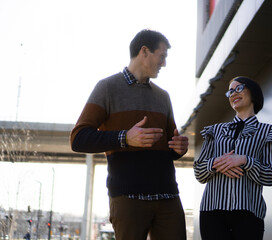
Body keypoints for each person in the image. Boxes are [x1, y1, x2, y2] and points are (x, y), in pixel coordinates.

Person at [70, 29, 188, 240]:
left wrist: (179, 148)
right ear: (145, 51)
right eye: (162, 56)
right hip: (128, 198)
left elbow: (169, 148)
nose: (164, 64)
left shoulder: (164, 97)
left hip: (168, 197)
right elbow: (78, 139)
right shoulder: (107, 88)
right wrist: (125, 138)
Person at [194, 76, 272, 240]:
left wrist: (244, 160)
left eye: (238, 88)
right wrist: (217, 163)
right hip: (211, 212)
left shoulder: (268, 132)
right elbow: (199, 173)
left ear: (253, 92)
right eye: (230, 91)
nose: (233, 93)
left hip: (249, 213)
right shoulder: (214, 131)